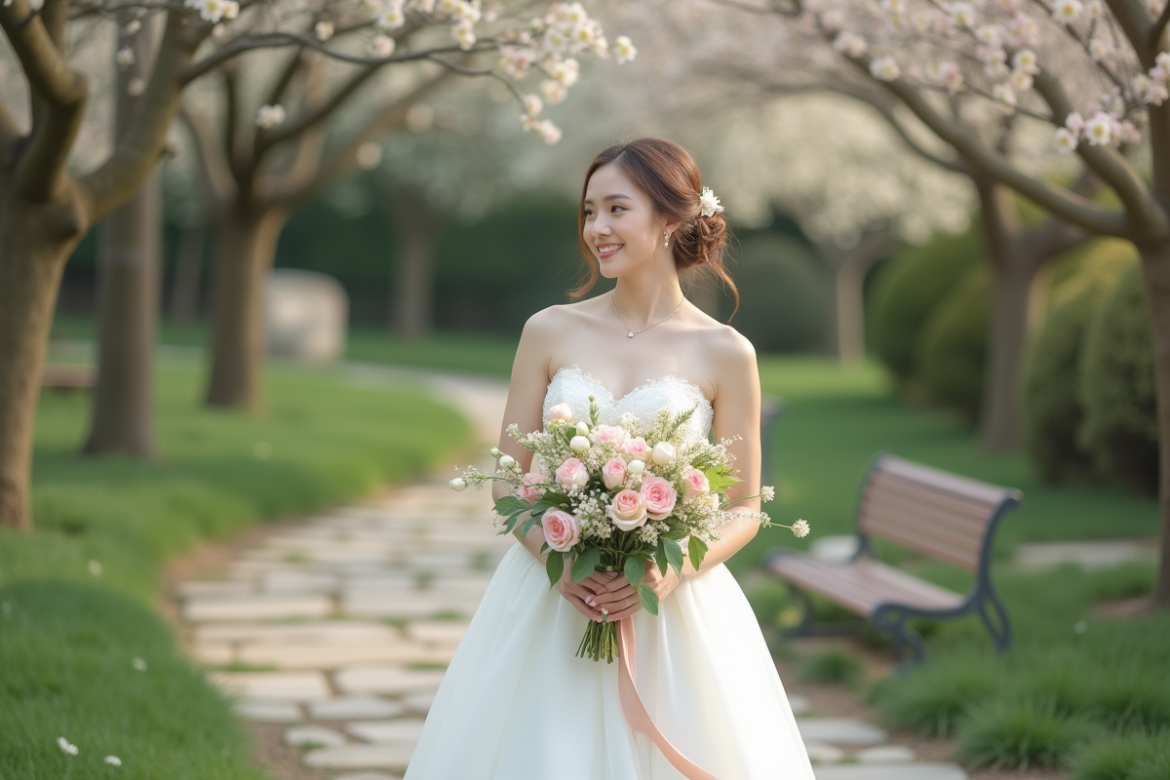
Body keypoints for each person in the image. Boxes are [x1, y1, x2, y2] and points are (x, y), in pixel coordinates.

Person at [403, 138, 814, 779]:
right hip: (551, 601)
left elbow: (745, 506)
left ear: (672, 217)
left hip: (671, 609)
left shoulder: (727, 352)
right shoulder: (549, 330)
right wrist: (556, 557)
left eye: (616, 209)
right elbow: (507, 481)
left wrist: (669, 574)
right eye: (589, 211)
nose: (597, 228)